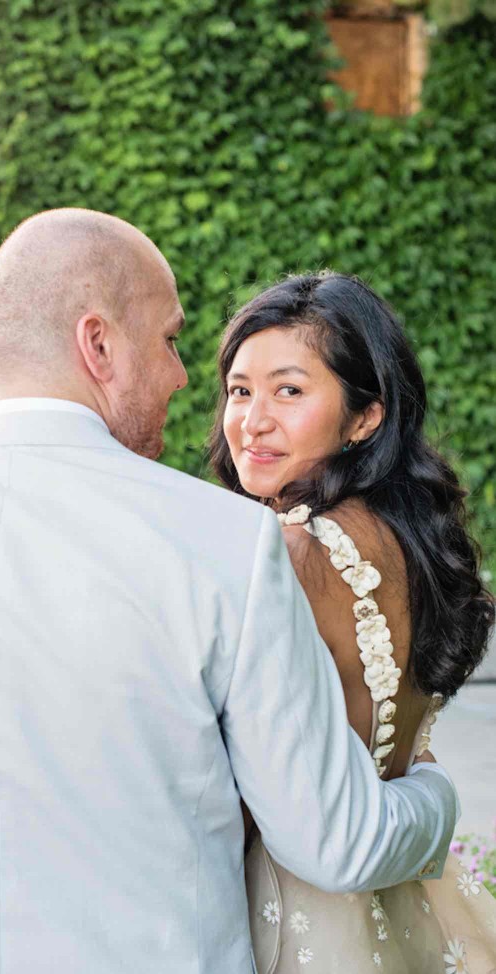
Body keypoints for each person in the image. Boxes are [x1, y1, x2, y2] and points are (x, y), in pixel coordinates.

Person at [0, 212, 459, 974]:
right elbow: (339, 842)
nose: (181, 376)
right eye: (170, 341)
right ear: (98, 345)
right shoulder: (226, 542)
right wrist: (437, 799)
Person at [209, 270, 496, 973]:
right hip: (405, 907)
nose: (253, 420)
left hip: (281, 911)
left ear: (366, 415)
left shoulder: (284, 552)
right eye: (240, 390)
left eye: (290, 390)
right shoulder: (416, 543)